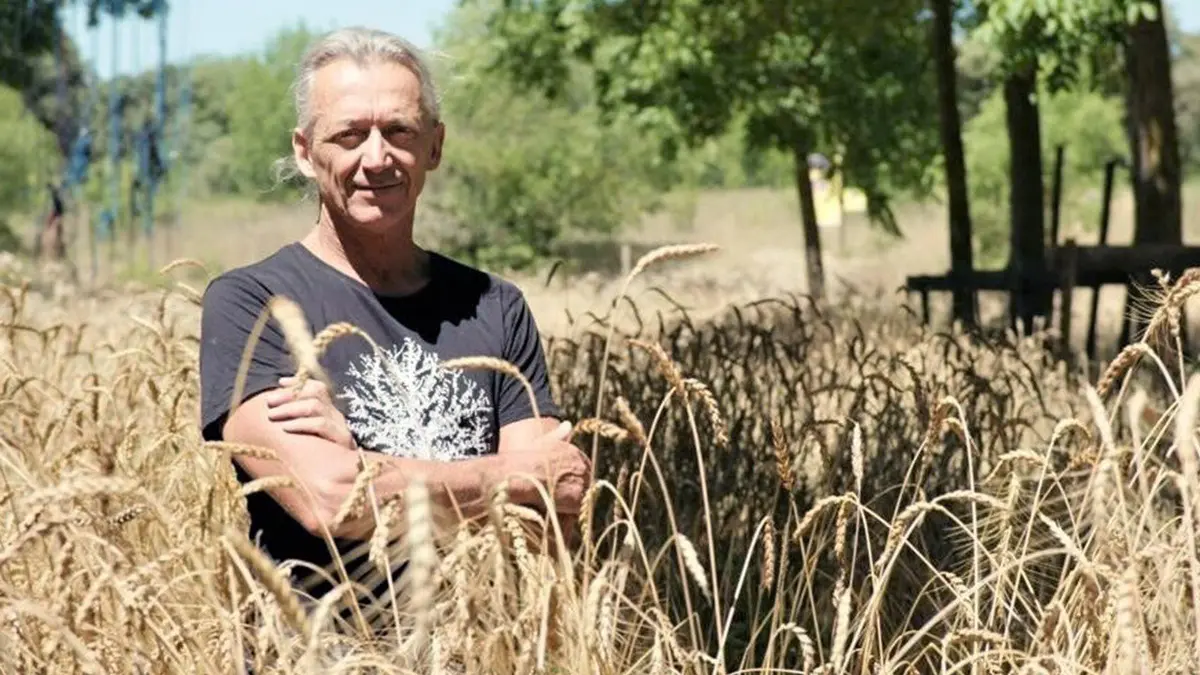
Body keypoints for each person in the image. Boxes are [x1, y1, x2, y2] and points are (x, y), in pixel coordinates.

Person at [197, 27, 591, 604]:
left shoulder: (495, 304)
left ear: (434, 146)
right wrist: (512, 475)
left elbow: (552, 522)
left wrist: (366, 464)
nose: (376, 157)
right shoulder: (254, 304)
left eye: (398, 131)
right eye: (350, 134)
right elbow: (332, 502)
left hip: (484, 652)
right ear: (306, 152)